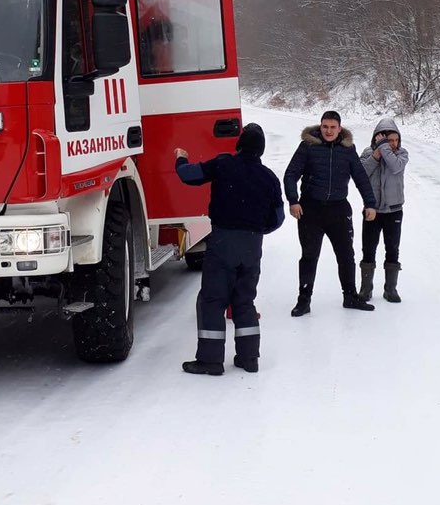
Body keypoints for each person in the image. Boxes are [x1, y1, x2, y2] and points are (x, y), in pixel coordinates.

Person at [174, 122, 284, 376]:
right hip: (252, 245)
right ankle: (249, 358)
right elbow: (277, 218)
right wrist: (256, 230)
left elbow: (188, 175)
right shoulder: (269, 177)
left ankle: (210, 361)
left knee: (213, 300)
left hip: (223, 242)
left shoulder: (223, 164)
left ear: (239, 145)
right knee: (244, 300)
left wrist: (181, 159)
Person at [283, 109, 377, 316]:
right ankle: (304, 300)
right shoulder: (308, 146)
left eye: (333, 127)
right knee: (309, 256)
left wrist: (370, 203)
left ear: (339, 128)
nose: (328, 131)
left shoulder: (348, 149)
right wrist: (293, 201)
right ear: (320, 126)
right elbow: (290, 174)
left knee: (346, 255)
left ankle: (350, 296)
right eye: (325, 126)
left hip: (338, 209)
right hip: (311, 209)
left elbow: (361, 177)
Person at [359, 116, 409, 303]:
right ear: (378, 138)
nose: (394, 144)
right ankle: (366, 289)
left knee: (392, 249)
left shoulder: (402, 154)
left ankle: (390, 289)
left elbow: (395, 167)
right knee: (368, 249)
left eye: (396, 140)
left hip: (394, 210)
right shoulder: (368, 153)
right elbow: (361, 175)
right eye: (390, 140)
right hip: (372, 210)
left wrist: (384, 147)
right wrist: (375, 156)